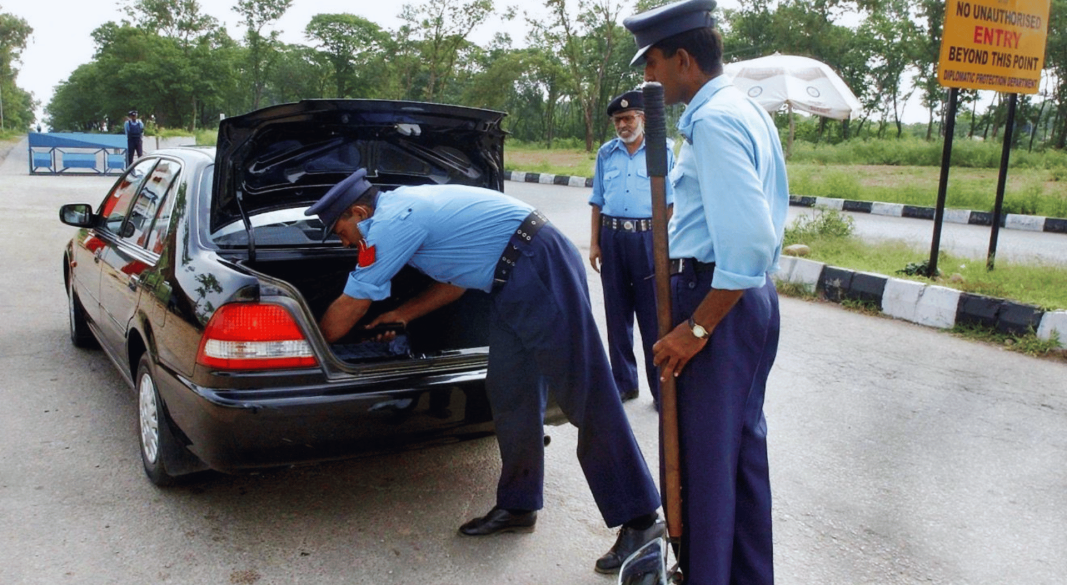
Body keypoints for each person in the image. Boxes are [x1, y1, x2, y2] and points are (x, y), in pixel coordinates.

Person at [306, 169, 664, 575]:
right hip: (511, 279)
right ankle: (519, 504)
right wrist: (402, 314)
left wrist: (313, 344)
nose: (343, 242)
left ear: (358, 212)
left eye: (340, 232)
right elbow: (454, 284)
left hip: (539, 264)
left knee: (586, 394)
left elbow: (353, 303)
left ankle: (641, 520)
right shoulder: (401, 208)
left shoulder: (392, 222)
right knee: (511, 390)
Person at [623, 1, 789, 583]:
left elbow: (748, 241)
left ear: (683, 60)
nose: (648, 78)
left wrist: (696, 328)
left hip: (718, 298)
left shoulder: (714, 121)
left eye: (652, 63)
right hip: (743, 299)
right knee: (737, 455)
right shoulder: (740, 108)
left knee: (707, 462)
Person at [589, 89, 674, 407]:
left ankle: (660, 389)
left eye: (627, 118)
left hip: (647, 239)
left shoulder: (661, 151)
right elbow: (597, 201)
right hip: (612, 238)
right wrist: (595, 243)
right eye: (617, 121)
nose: (622, 125)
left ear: (642, 118)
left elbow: (670, 203)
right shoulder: (606, 153)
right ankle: (624, 384)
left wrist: (660, 243)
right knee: (616, 312)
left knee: (653, 315)